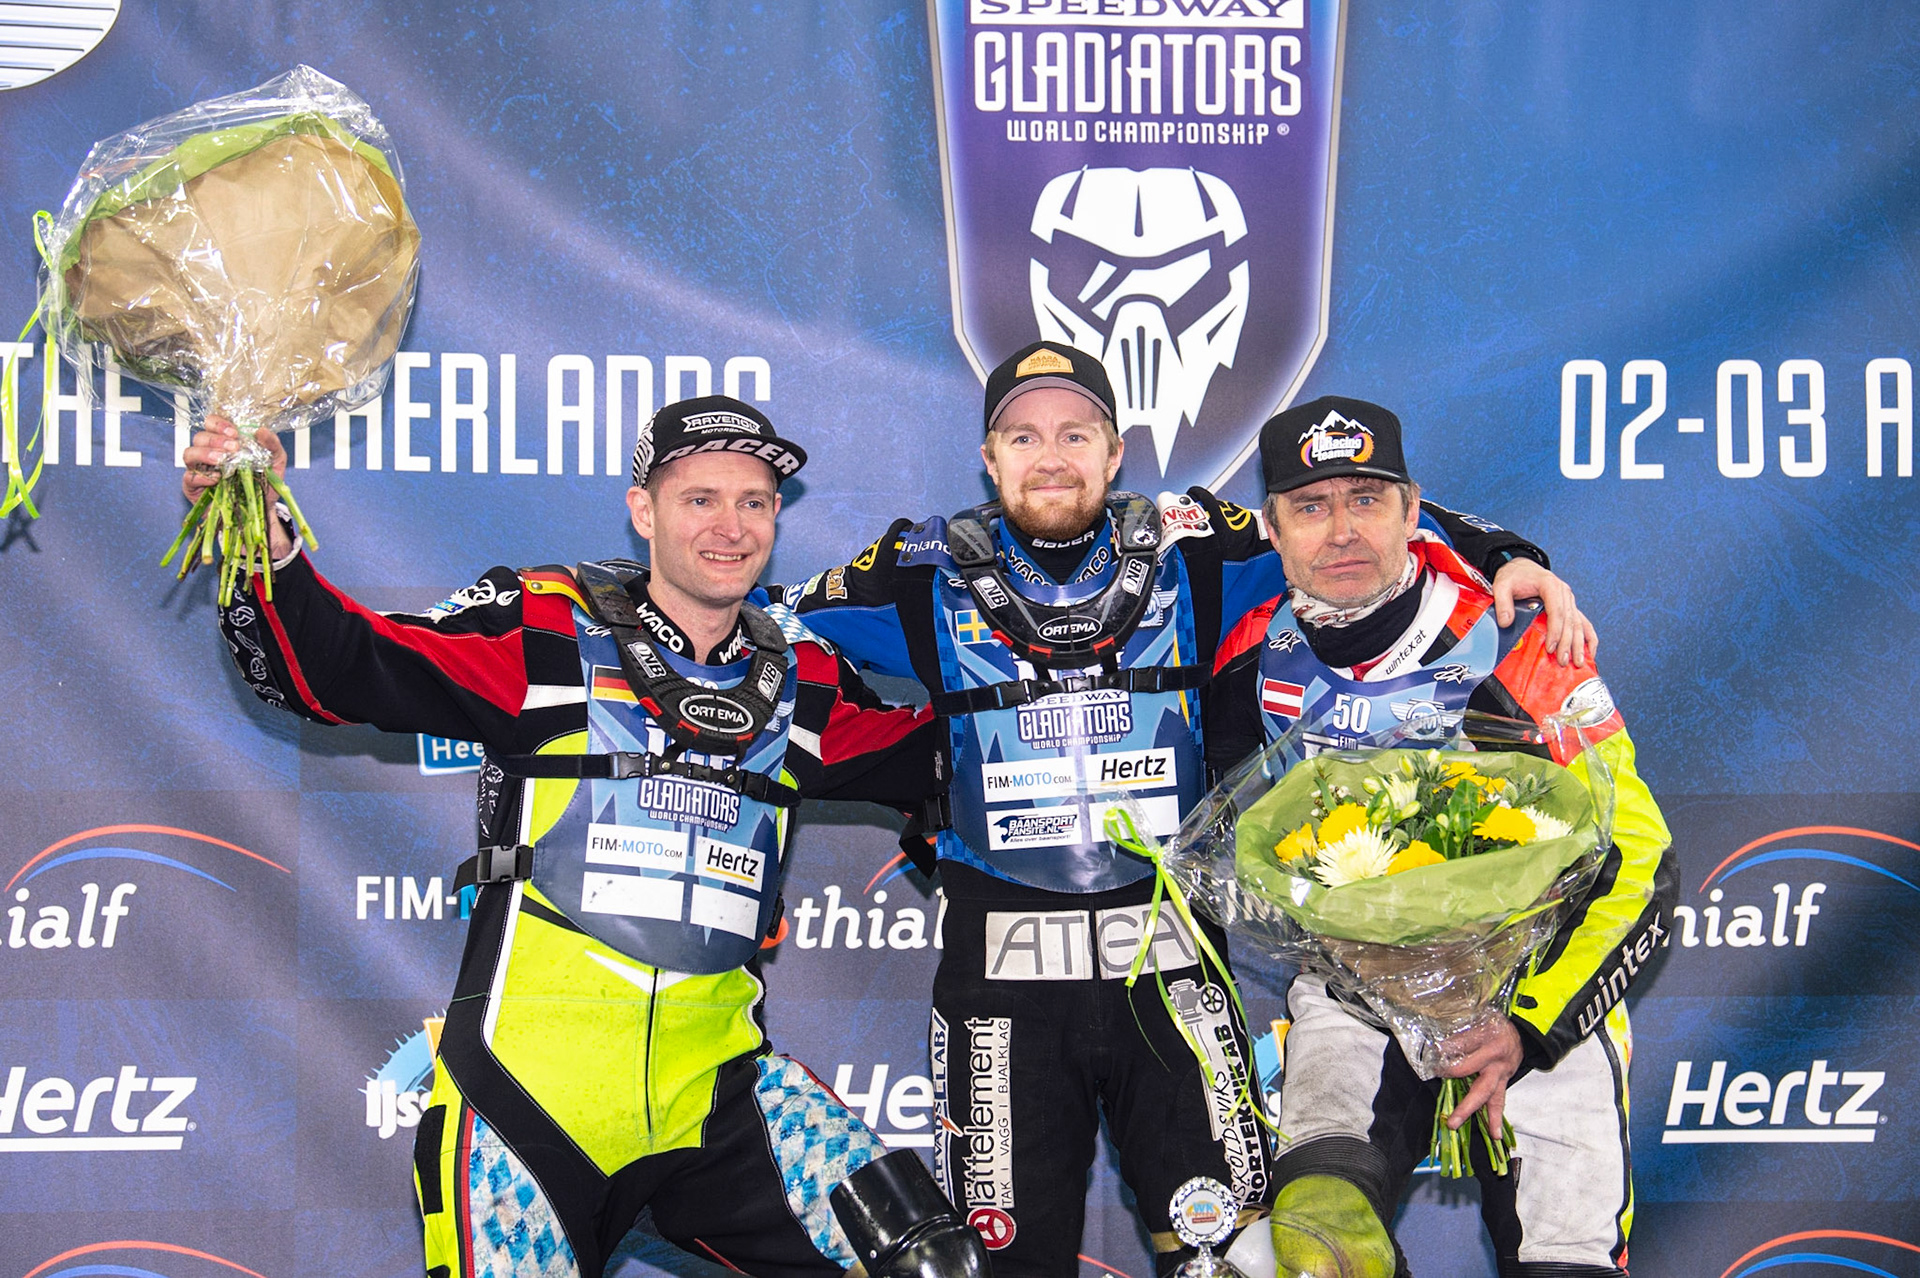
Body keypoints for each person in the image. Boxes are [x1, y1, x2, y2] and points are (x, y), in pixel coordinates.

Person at [780, 342, 1592, 1278]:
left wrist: (1504, 553)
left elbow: (1334, 510)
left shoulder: (1192, 538)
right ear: (990, 456)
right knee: (994, 1267)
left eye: (1075, 433)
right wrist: (909, 757)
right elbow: (766, 629)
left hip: (1167, 967)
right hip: (997, 985)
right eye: (1024, 436)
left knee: (1229, 1258)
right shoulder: (920, 568)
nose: (1052, 456)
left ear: (1115, 450)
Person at [183, 397, 991, 1278]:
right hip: (528, 1105)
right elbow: (341, 663)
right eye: (700, 499)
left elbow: (951, 762)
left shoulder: (805, 678)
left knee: (924, 1260)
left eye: (754, 502)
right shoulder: (546, 629)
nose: (730, 527)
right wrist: (261, 539)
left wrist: (1057, 651)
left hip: (715, 1095)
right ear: (643, 510)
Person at [1204, 396, 1675, 1278]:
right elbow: (1237, 852)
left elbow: (1641, 863)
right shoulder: (1243, 659)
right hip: (1359, 989)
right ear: (1269, 529)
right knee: (1313, 1237)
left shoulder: (1514, 635)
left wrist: (1530, 1030)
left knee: (1562, 1261)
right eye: (1310, 507)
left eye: (1367, 500)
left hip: (1540, 990)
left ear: (1414, 512)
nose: (1342, 531)